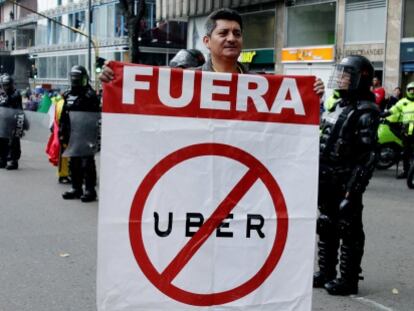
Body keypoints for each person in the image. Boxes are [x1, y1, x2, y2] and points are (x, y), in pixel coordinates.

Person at [100, 8, 324, 96]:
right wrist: (116, 81)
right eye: (224, 33)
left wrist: (309, 94)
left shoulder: (263, 87)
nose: (231, 38)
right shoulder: (185, 81)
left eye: (237, 33)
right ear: (207, 41)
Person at [315, 55, 380, 295]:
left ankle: (348, 279)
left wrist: (352, 192)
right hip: (327, 178)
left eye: (346, 75)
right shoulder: (338, 105)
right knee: (326, 225)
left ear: (359, 79)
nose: (341, 79)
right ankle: (326, 272)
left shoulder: (366, 111)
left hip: (346, 181)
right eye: (340, 74)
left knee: (349, 230)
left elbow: (368, 158)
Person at [59, 65, 101, 202]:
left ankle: (90, 190)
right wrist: (61, 131)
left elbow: (96, 117)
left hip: (86, 133)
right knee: (74, 162)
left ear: (84, 79)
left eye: (78, 79)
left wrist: (96, 137)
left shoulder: (90, 95)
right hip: (73, 133)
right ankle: (76, 188)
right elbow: (64, 115)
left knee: (87, 162)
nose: (75, 81)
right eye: (73, 79)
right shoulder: (67, 94)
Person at [385, 82, 414, 179]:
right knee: (406, 153)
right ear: (407, 90)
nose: (412, 91)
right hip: (406, 131)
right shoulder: (403, 101)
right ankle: (406, 171)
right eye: (411, 90)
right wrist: (384, 114)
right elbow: (394, 109)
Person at [0, 74, 23, 170]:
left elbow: (19, 110)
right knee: (2, 140)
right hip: (3, 121)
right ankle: (3, 159)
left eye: (7, 85)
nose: (6, 87)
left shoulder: (16, 94)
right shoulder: (2, 95)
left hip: (14, 120)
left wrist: (19, 125)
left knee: (14, 141)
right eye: (4, 85)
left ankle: (14, 160)